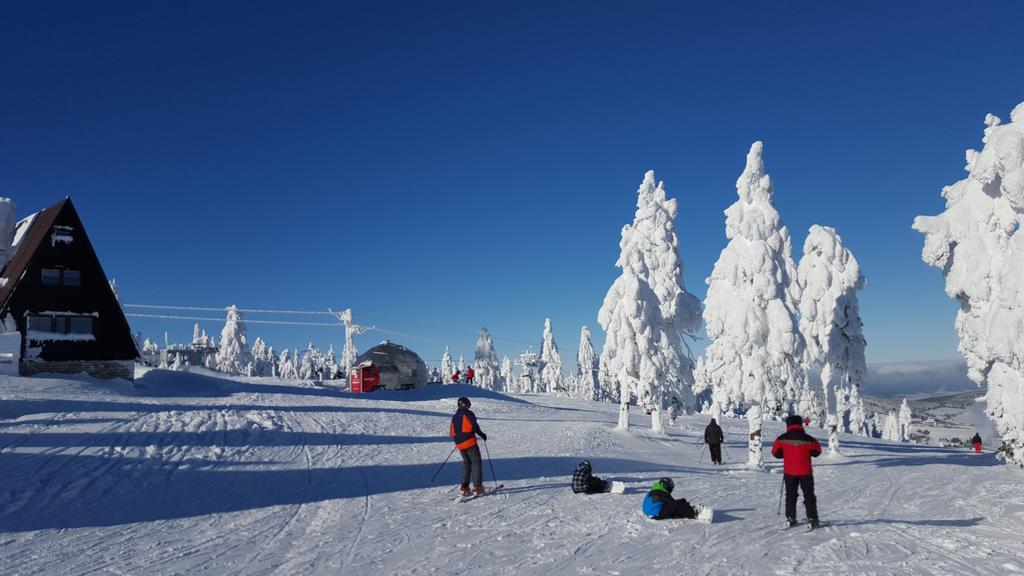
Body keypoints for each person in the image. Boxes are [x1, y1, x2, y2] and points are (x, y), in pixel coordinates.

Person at [772, 414, 822, 528]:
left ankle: (791, 518)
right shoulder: (809, 439)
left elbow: (775, 453)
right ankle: (812, 518)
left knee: (790, 495)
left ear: (788, 424)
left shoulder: (782, 438)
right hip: (806, 472)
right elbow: (817, 452)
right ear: (800, 424)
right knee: (809, 495)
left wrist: (784, 454)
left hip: (789, 472)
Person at [450, 396, 487, 496]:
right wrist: (482, 435)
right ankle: (477, 487)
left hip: (460, 444)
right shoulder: (468, 413)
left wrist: (459, 439)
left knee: (467, 464)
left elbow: (452, 432)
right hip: (470, 442)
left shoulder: (454, 416)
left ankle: (464, 487)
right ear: (466, 404)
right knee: (476, 462)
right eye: (468, 404)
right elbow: (474, 427)